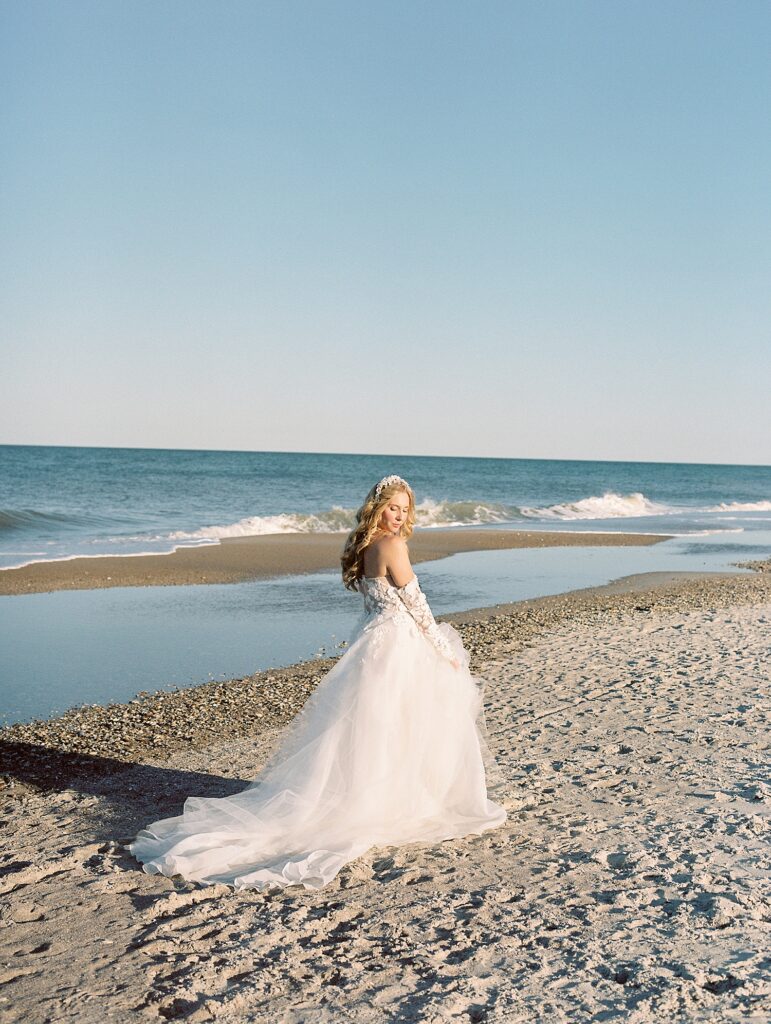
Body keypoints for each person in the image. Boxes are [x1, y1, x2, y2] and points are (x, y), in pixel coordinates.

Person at [128, 475, 507, 890]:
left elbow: (374, 601)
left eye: (404, 509)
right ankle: (386, 802)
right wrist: (445, 652)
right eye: (392, 507)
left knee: (368, 726)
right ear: (377, 507)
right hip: (399, 643)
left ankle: (371, 795)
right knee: (399, 722)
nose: (398, 516)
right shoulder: (393, 545)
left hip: (373, 640)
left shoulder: (363, 545)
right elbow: (417, 605)